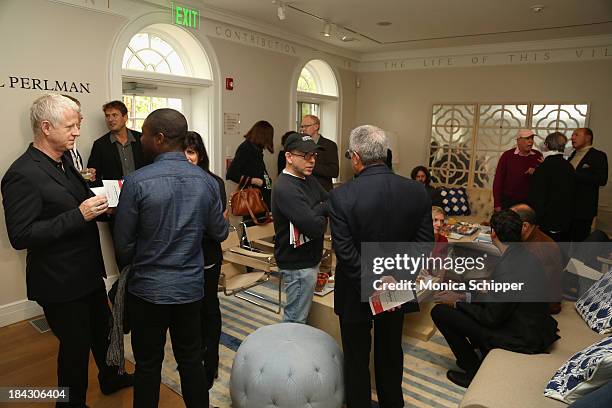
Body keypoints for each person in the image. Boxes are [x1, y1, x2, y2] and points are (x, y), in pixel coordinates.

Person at [2, 93, 132, 407]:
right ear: (46, 128)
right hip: (59, 281)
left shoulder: (65, 162)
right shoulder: (22, 174)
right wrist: (80, 215)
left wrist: (106, 206)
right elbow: (21, 235)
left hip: (86, 272)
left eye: (78, 125)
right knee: (75, 349)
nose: (77, 132)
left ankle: (111, 378)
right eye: (71, 126)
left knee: (103, 332)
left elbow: (80, 202)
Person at [114, 109, 228, 408]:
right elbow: (219, 231)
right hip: (190, 288)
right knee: (191, 360)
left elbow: (123, 245)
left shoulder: (136, 182)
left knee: (147, 364)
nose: (141, 140)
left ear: (160, 139)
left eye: (146, 135)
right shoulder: (207, 181)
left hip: (148, 289)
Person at [329, 125, 433, 408]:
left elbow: (345, 251)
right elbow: (423, 245)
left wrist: (375, 280)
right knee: (389, 352)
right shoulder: (417, 191)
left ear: (356, 157)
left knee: (356, 358)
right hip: (396, 287)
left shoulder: (341, 196)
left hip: (355, 286)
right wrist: (395, 280)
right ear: (385, 155)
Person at [431, 210, 559, 388]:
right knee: (467, 289)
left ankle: (473, 371)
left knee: (439, 312)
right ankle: (478, 350)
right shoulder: (522, 255)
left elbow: (490, 317)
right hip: (528, 322)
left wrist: (456, 302)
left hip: (520, 335)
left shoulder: (510, 267)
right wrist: (466, 295)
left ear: (493, 234)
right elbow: (500, 296)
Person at [184, 131, 227, 389]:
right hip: (182, 260)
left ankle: (210, 362)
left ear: (200, 155)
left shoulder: (213, 182)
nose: (187, 157)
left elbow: (218, 225)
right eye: (183, 152)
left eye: (191, 152)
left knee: (208, 307)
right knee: (188, 312)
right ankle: (192, 357)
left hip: (207, 255)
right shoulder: (173, 180)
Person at [272, 132, 328, 323]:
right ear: (288, 157)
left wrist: (316, 210)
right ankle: (287, 352)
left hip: (310, 259)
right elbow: (315, 227)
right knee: (295, 319)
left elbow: (328, 201)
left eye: (314, 155)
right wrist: (320, 211)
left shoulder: (308, 179)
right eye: (305, 156)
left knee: (301, 315)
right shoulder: (285, 187)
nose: (311, 161)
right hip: (298, 265)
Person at [511, 203, 563, 314]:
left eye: (510, 222)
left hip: (542, 305)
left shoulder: (541, 248)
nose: (507, 224)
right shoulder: (530, 236)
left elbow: (532, 288)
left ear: (525, 226)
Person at [87, 100, 146, 187]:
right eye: (107, 116)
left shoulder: (141, 139)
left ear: (125, 117)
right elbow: (93, 176)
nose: (110, 119)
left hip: (142, 191)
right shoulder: (100, 145)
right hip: (115, 196)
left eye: (114, 115)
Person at [528, 132, 575, 242]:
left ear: (547, 145)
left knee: (544, 255)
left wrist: (535, 221)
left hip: (546, 222)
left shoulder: (544, 167)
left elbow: (537, 197)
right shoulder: (569, 166)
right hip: (565, 221)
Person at [226, 120, 274, 219]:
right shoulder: (246, 148)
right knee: (252, 231)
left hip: (261, 199)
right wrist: (252, 180)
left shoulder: (256, 149)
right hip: (253, 200)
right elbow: (231, 173)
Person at [568, 128, 608, 242]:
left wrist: (574, 174)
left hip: (583, 209)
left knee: (579, 243)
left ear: (588, 138)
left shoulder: (598, 155)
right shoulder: (572, 155)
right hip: (567, 208)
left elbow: (602, 180)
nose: (572, 138)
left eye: (576, 135)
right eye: (572, 135)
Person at [492, 129, 543, 211]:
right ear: (518, 141)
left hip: (530, 203)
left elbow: (543, 181)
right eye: (527, 139)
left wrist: (537, 172)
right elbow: (498, 180)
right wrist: (497, 204)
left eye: (532, 138)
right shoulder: (507, 156)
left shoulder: (537, 155)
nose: (530, 141)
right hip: (509, 201)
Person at [61, 94, 96, 181]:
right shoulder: (59, 147)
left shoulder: (72, 143)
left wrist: (82, 175)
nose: (81, 117)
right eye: (78, 112)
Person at [299, 114, 339, 191]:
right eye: (302, 126)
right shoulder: (300, 145)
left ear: (316, 127)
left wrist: (310, 166)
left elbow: (334, 171)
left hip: (322, 192)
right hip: (303, 190)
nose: (303, 129)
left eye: (306, 126)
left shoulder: (329, 145)